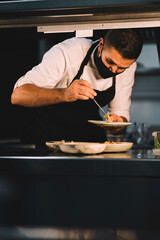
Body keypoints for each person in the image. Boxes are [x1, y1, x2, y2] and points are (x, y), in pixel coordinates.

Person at [11, 29, 143, 147]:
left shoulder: (129, 67)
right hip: (52, 141)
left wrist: (117, 123)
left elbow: (121, 113)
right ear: (101, 45)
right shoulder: (69, 52)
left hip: (92, 145)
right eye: (110, 62)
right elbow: (18, 96)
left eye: (121, 68)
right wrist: (64, 94)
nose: (114, 70)